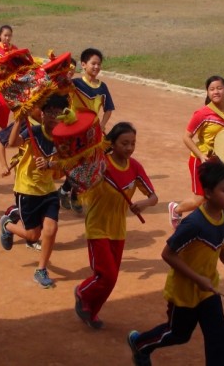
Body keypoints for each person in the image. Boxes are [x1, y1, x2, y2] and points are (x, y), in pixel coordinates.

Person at [127, 160, 224, 366]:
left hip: (209, 290)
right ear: (208, 193)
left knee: (219, 338)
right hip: (184, 291)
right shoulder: (193, 224)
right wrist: (197, 278)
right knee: (177, 334)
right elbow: (168, 254)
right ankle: (140, 344)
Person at [74, 122, 158, 329]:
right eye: (124, 143)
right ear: (113, 143)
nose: (129, 148)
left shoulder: (136, 167)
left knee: (110, 280)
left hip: (118, 230)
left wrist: (144, 204)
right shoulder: (101, 163)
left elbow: (153, 196)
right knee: (107, 275)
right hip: (97, 226)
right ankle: (82, 292)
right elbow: (79, 181)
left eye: (132, 143)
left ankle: (92, 312)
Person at [0, 94, 69, 288]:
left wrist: (49, 163)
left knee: (51, 229)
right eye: (50, 112)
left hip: (48, 191)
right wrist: (19, 120)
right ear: (42, 114)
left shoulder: (63, 138)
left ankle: (41, 270)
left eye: (58, 113)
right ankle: (8, 225)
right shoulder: (34, 132)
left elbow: (66, 163)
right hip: (27, 189)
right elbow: (12, 144)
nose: (54, 117)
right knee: (32, 236)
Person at [168, 75, 224, 246]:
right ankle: (176, 209)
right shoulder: (202, 114)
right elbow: (186, 137)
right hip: (202, 162)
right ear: (207, 93)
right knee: (201, 199)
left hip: (223, 162)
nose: (216, 91)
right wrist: (201, 155)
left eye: (219, 88)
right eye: (212, 89)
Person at [60, 48, 115, 215]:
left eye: (99, 64)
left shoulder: (102, 87)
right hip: (76, 131)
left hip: (93, 133)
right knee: (78, 165)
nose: (96, 67)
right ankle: (67, 193)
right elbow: (61, 90)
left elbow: (108, 109)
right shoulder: (75, 85)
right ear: (83, 65)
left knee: (88, 165)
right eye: (93, 63)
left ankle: (71, 194)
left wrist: (103, 124)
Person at [0, 106, 43, 251]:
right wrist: (4, 165)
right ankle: (7, 222)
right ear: (30, 108)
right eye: (39, 106)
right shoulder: (25, 123)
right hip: (25, 174)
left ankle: (29, 238)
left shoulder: (50, 122)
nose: (43, 111)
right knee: (30, 208)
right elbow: (1, 142)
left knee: (40, 206)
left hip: (43, 173)